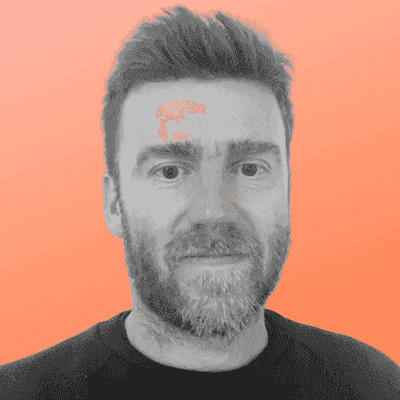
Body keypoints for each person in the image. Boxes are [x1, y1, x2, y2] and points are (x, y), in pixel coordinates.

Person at [0, 6, 399, 399]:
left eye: (249, 169)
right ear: (115, 204)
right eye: (170, 171)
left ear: (288, 190)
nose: (214, 211)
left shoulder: (375, 386)